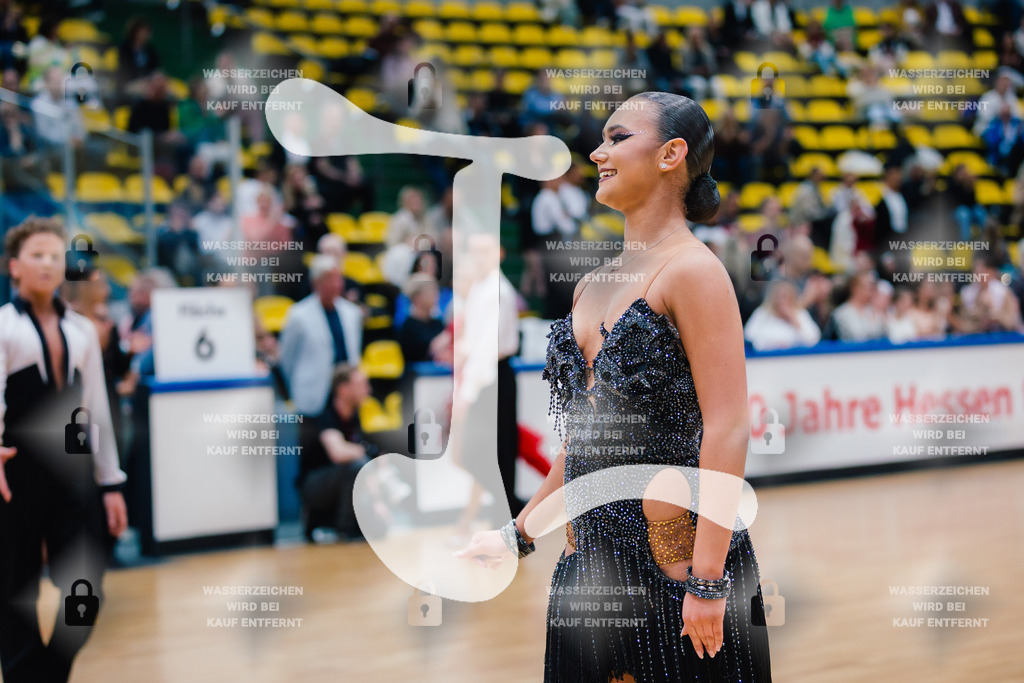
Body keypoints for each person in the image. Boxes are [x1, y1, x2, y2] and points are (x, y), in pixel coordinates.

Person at [457, 92, 772, 681]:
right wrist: (516, 535)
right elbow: (584, 448)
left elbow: (728, 427)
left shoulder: (695, 271)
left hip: (677, 561)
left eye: (618, 137)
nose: (599, 151)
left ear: (672, 154)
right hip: (588, 563)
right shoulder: (590, 287)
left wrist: (708, 579)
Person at [0, 217, 128, 683]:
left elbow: (95, 412)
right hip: (13, 476)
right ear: (14, 267)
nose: (48, 263)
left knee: (86, 590)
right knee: (15, 592)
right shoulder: (3, 328)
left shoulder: (81, 332)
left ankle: (45, 678)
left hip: (71, 477)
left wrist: (110, 482)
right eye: (37, 254)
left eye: (56, 255)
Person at [297, 364, 387, 542]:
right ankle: (345, 530)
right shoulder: (326, 415)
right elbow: (337, 453)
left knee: (379, 529)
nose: (368, 390)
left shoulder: (354, 416)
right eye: (362, 384)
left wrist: (378, 502)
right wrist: (369, 453)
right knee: (357, 465)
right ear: (344, 389)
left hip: (341, 481)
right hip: (314, 487)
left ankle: (358, 520)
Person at [278, 255, 363, 417]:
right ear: (316, 283)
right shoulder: (298, 315)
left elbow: (354, 352)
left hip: (345, 396)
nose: (336, 284)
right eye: (329, 279)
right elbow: (287, 358)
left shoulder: (352, 313)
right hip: (314, 395)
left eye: (338, 278)